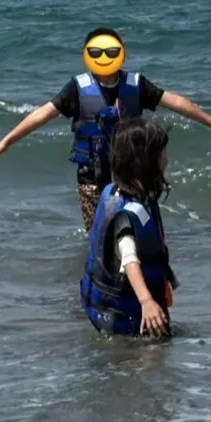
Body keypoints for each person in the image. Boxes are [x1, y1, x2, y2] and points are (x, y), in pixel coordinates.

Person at [0, 27, 211, 229]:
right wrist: (7, 141)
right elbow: (42, 115)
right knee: (101, 237)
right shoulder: (77, 88)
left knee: (137, 233)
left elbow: (176, 102)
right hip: (92, 180)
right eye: (95, 52)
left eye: (110, 51)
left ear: (121, 52)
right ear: (86, 56)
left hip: (134, 176)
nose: (103, 57)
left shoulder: (136, 84)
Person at [80, 118, 177, 337]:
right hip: (126, 316)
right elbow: (129, 260)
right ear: (145, 164)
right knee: (151, 360)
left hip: (113, 309)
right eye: (161, 155)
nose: (167, 159)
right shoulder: (127, 215)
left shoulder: (116, 193)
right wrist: (147, 301)